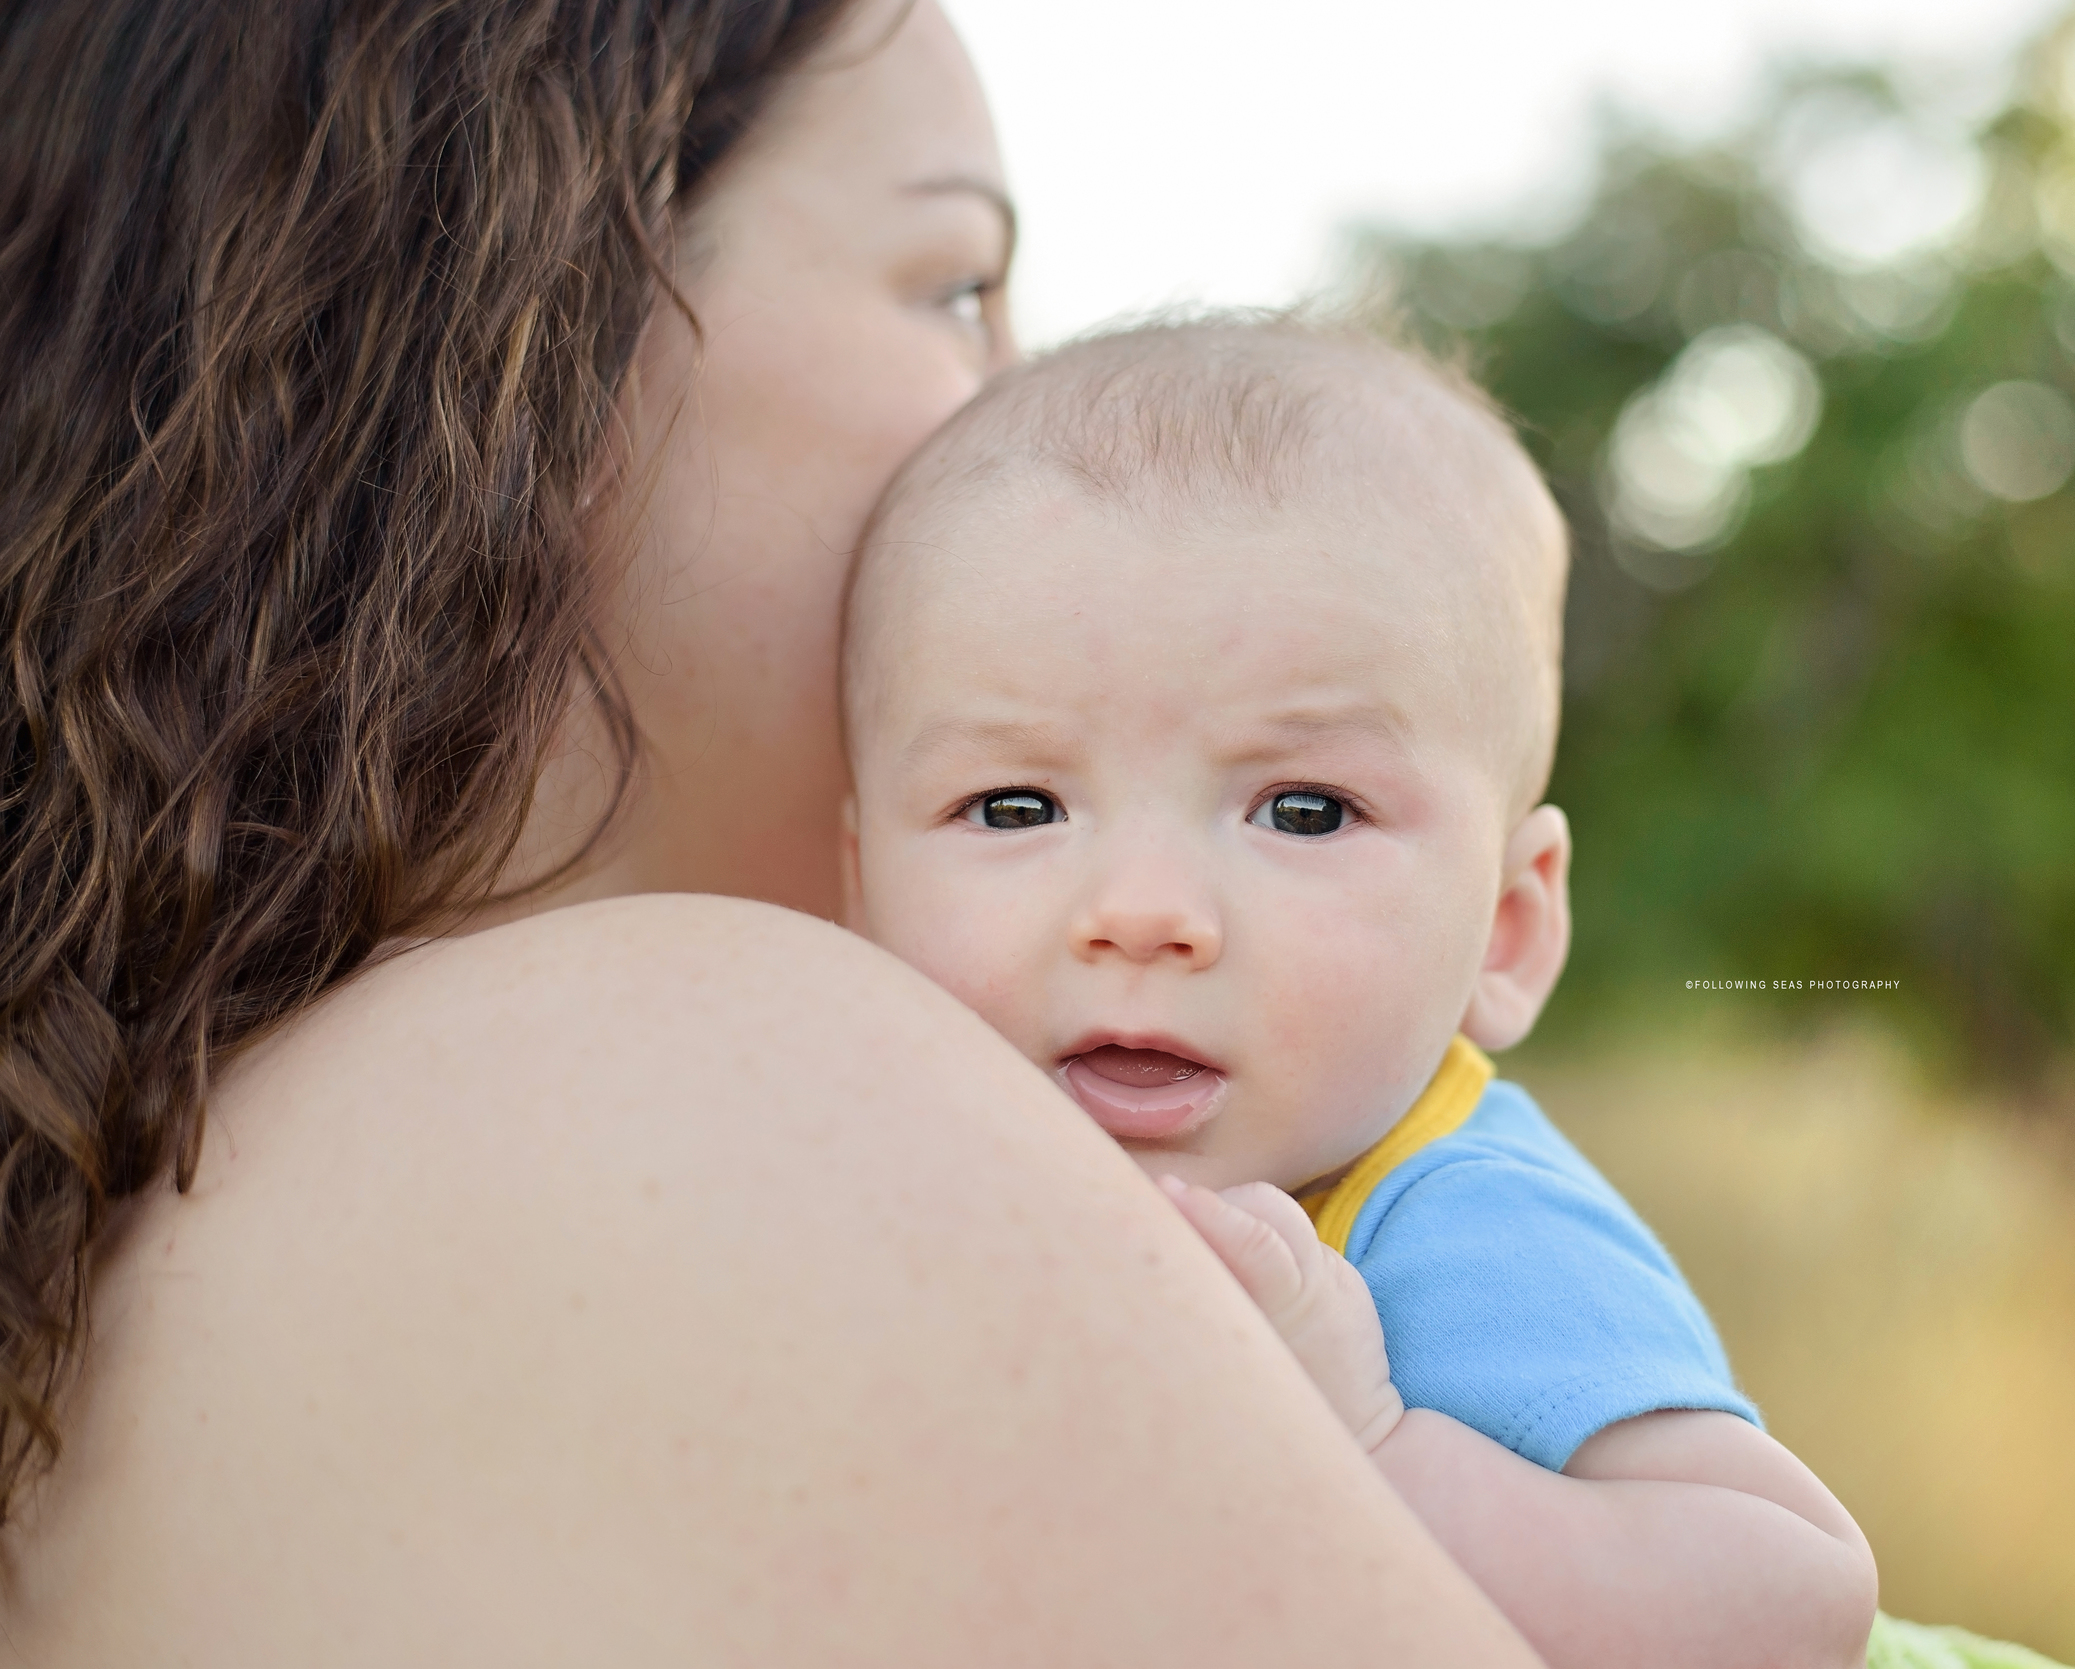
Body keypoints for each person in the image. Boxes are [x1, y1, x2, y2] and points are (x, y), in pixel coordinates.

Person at [0, 3, 1548, 1662]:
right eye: (959, 286)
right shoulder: (692, 1068)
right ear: (536, 327)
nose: (1028, 403)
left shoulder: (118, 1177)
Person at [839, 316, 1882, 1669]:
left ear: (1504, 929)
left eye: (1306, 809)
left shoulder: (1451, 1221)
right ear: (857, 889)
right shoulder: (917, 1170)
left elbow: (1793, 1600)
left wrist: (1372, 1445)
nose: (1144, 911)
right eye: (1016, 802)